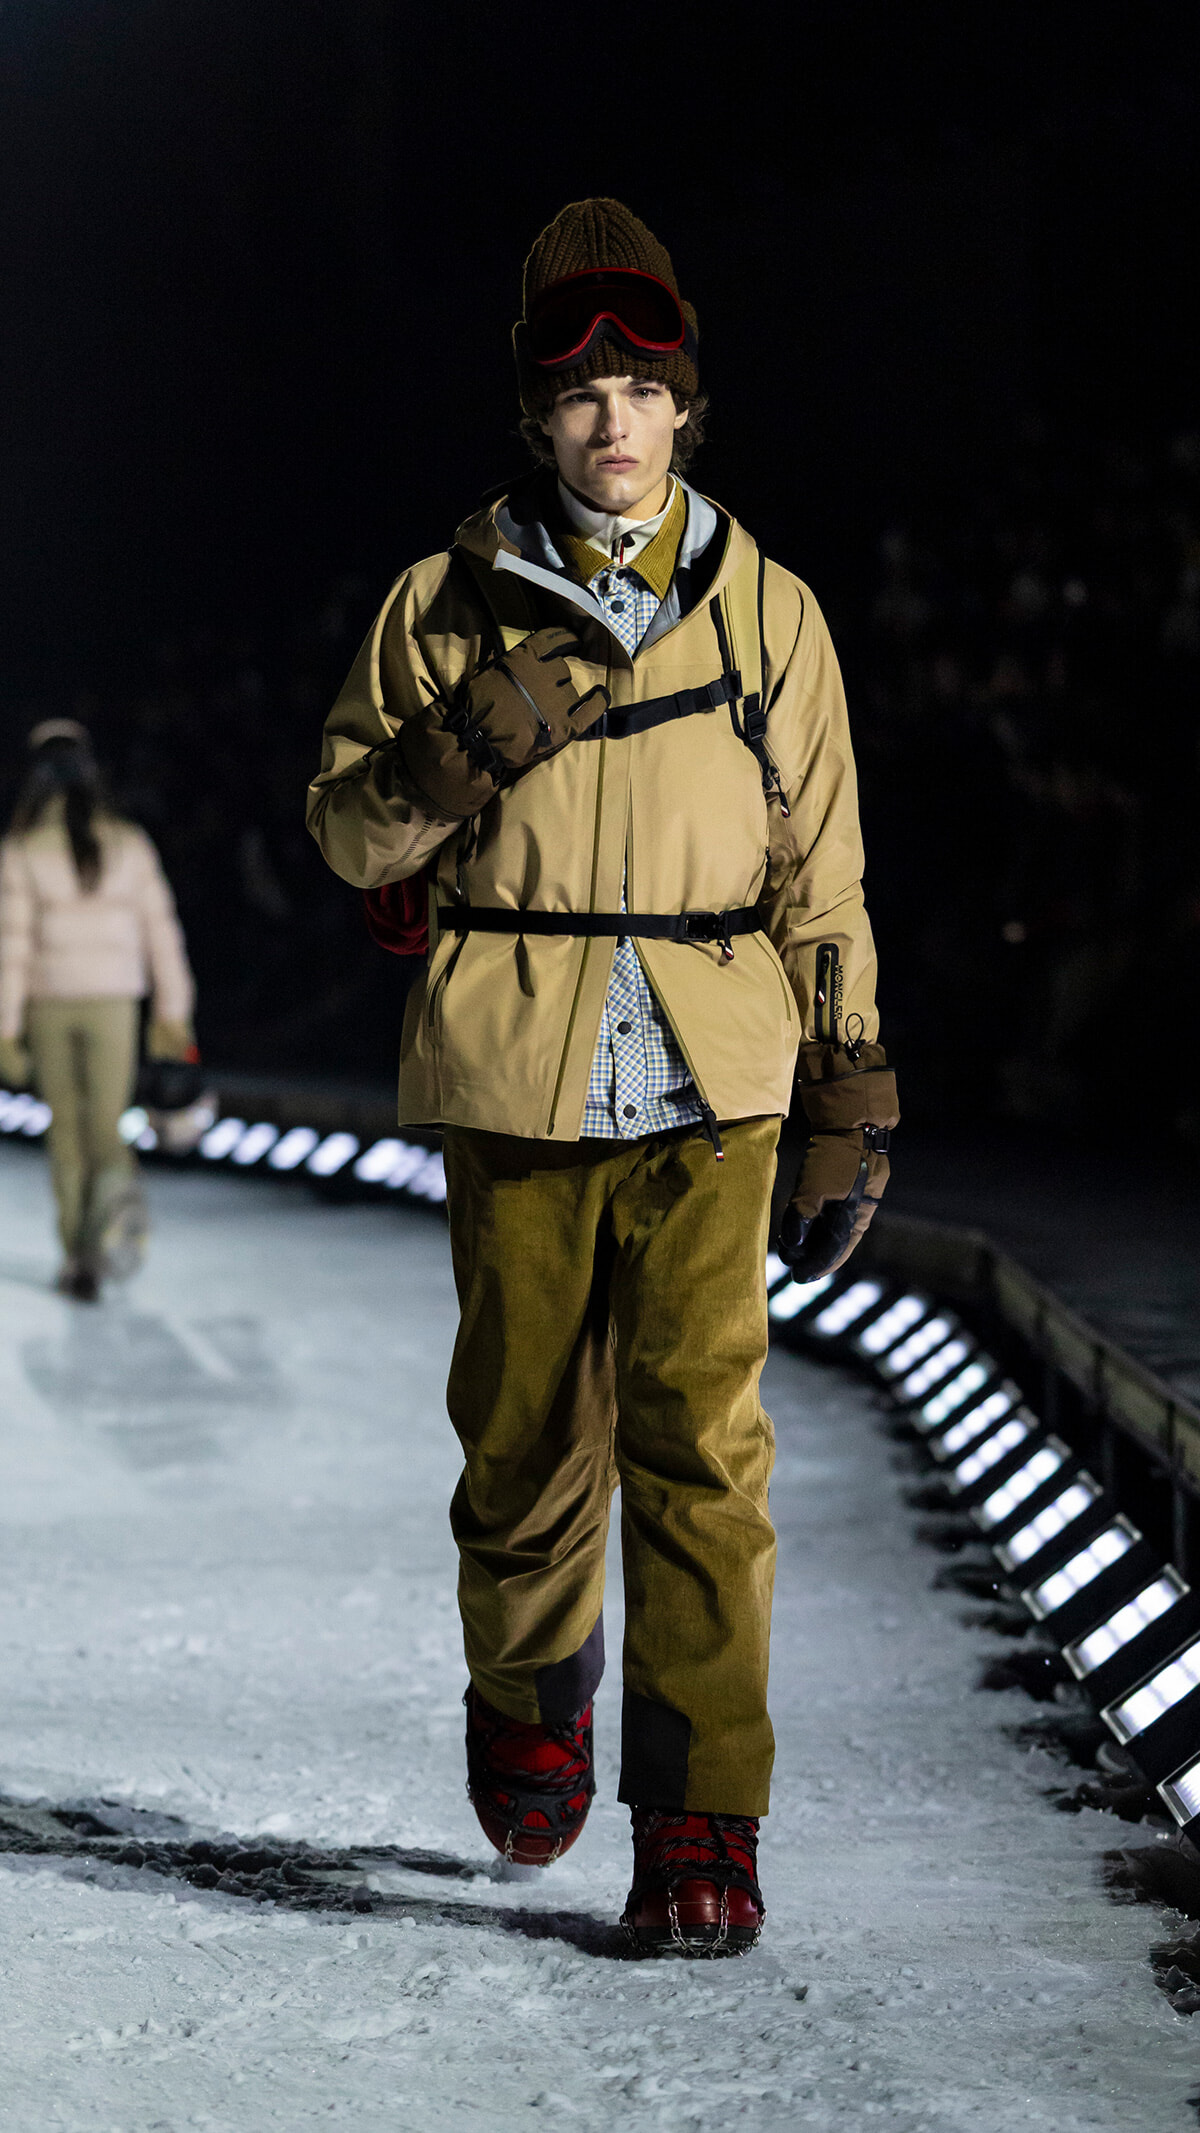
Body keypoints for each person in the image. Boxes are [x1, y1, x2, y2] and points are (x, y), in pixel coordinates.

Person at [307, 199, 898, 1955]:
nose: (615, 420)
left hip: (719, 1061)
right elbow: (348, 833)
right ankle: (533, 1685)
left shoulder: (768, 607)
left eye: (646, 387)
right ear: (536, 413)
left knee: (706, 1449)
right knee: (518, 1442)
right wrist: (470, 738)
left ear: (689, 406)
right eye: (582, 393)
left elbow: (827, 868)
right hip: (514, 1061)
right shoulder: (439, 602)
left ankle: (703, 1816)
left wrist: (849, 1077)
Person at [0, 720, 196, 1301]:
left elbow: (12, 948)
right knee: (108, 1128)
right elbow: (162, 933)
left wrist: (5, 1032)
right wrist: (172, 1014)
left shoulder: (21, 849)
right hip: (115, 1003)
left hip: (49, 1006)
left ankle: (77, 1256)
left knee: (67, 1134)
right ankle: (108, 1221)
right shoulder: (128, 842)